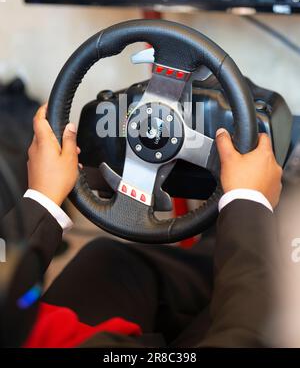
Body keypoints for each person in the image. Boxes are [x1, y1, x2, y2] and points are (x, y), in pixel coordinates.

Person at [2, 104, 282, 348]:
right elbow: (248, 339)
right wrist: (248, 200)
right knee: (268, 306)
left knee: (109, 260)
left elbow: (6, 275)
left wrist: (42, 198)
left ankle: (223, 247)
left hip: (33, 332)